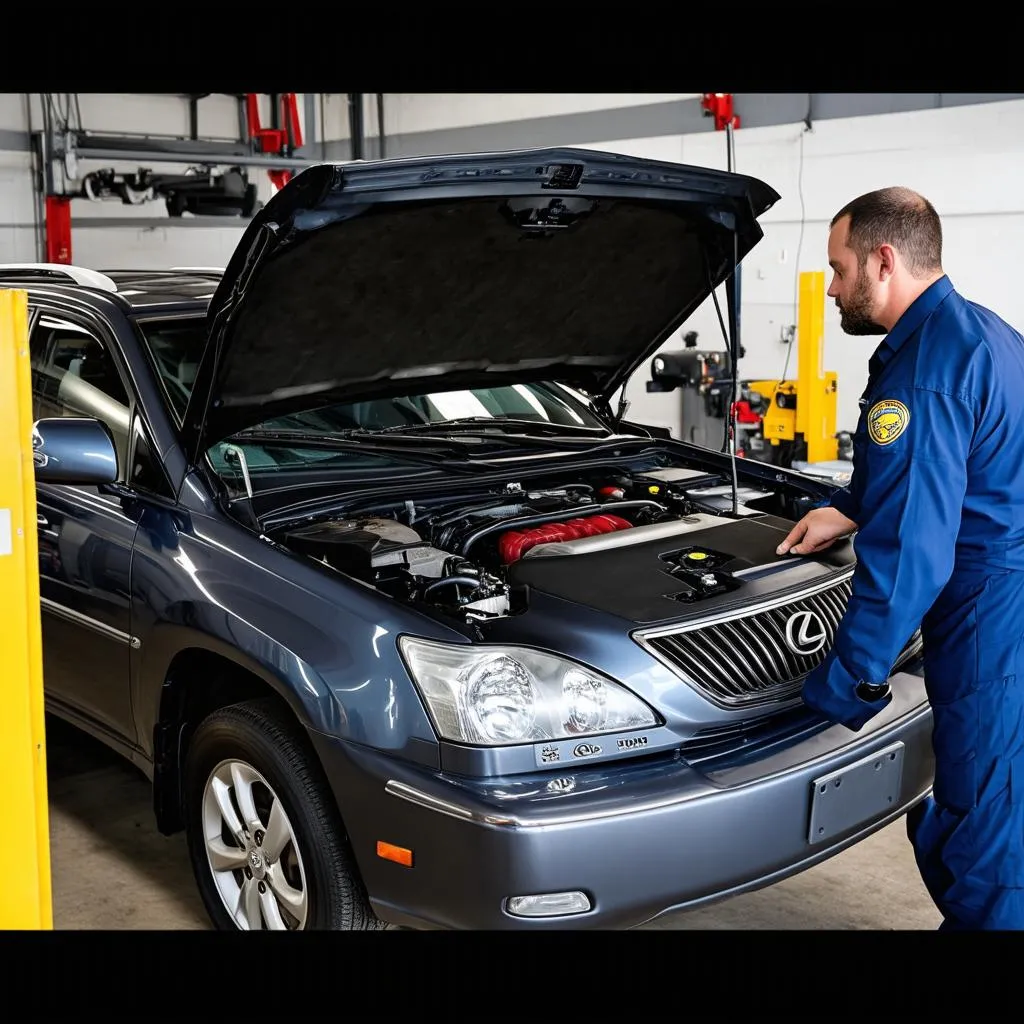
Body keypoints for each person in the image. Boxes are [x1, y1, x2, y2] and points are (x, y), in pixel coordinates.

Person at [776, 186, 1024, 931]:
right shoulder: (983, 332)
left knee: (983, 823)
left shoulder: (923, 371)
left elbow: (912, 556)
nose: (832, 287)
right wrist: (854, 503)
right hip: (1005, 588)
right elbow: (968, 462)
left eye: (839, 267)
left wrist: (848, 681)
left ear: (883, 261)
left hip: (988, 614)